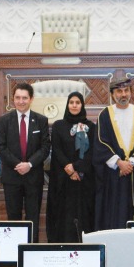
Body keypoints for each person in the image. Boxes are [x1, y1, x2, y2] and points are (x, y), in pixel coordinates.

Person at [94, 79, 134, 230]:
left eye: (126, 91)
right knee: (114, 212)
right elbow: (101, 142)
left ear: (131, 93)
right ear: (112, 95)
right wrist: (119, 163)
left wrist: (130, 164)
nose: (123, 94)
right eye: (119, 91)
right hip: (114, 174)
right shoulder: (104, 115)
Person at [0, 82, 49, 228]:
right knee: (13, 218)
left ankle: (32, 249)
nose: (21, 101)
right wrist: (17, 165)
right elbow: (0, 147)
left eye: (24, 98)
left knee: (33, 218)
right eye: (17, 98)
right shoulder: (4, 120)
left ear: (31, 99)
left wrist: (29, 164)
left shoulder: (41, 120)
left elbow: (45, 147)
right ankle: (15, 250)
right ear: (13, 99)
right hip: (12, 177)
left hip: (33, 177)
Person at [47, 91, 96, 242]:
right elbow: (57, 149)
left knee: (83, 213)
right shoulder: (58, 125)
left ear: (82, 105)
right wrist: (69, 169)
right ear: (67, 105)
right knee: (63, 215)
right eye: (71, 102)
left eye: (78, 102)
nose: (74, 105)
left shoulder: (91, 127)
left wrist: (76, 167)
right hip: (63, 180)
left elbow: (92, 152)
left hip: (83, 179)